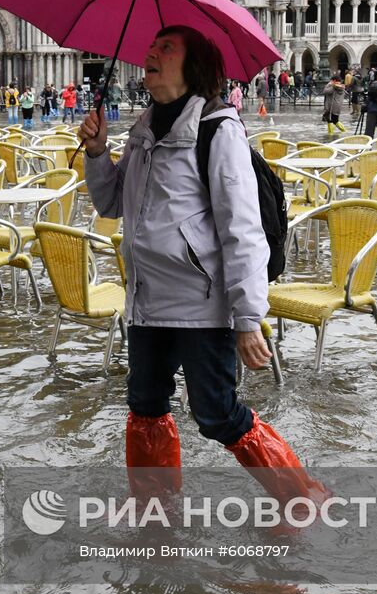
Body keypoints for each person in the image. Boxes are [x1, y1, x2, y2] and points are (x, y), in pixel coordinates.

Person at [78, 25, 326, 511]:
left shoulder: (218, 129)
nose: (151, 51)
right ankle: (156, 511)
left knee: (216, 415)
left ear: (194, 65)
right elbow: (111, 204)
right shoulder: (143, 127)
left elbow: (242, 227)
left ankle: (303, 498)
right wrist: (96, 152)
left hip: (202, 303)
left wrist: (248, 317)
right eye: (152, 45)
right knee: (145, 406)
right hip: (147, 300)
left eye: (165, 47)